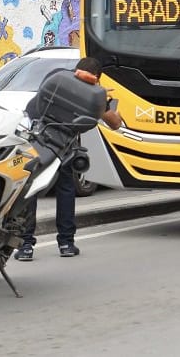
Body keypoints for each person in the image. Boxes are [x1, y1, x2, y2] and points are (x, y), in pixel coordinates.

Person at [14, 57, 123, 261]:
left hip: (34, 138)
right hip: (61, 146)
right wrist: (104, 100)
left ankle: (25, 245)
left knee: (29, 188)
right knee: (65, 188)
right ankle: (66, 243)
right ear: (97, 78)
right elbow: (115, 123)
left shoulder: (57, 76)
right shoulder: (95, 96)